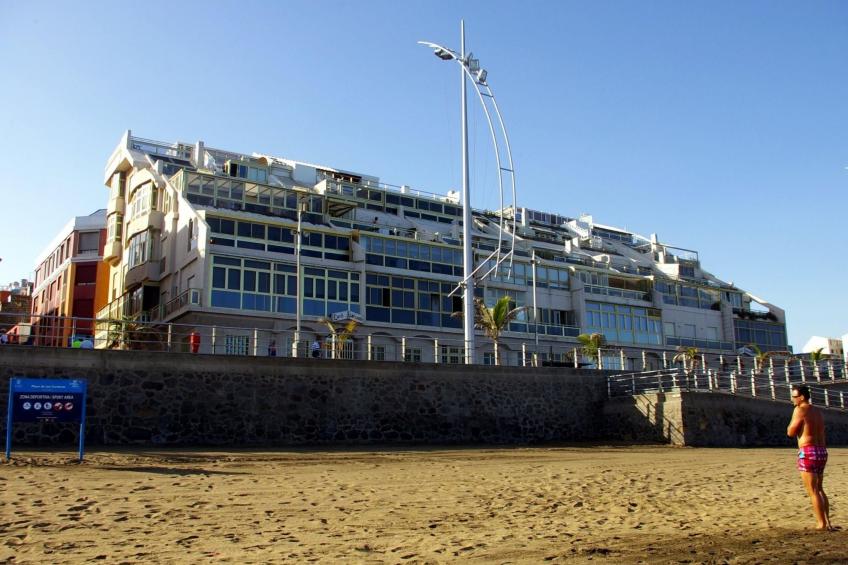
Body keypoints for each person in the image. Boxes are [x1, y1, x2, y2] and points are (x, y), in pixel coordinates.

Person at [787, 384, 832, 531]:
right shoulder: (817, 411)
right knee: (820, 488)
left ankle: (821, 523)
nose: (792, 399)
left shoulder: (800, 409)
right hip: (821, 451)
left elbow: (791, 432)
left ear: (802, 397)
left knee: (812, 490)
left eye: (794, 397)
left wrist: (790, 426)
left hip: (808, 451)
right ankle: (827, 521)